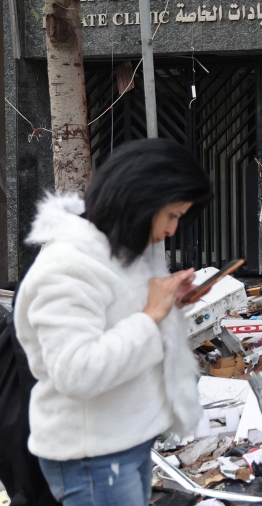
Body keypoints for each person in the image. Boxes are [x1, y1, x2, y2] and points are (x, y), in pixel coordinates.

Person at [14, 139, 212, 506]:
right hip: (93, 456)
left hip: (124, 440)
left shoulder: (118, 248)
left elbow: (117, 317)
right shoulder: (67, 268)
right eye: (171, 215)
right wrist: (151, 314)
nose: (172, 230)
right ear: (140, 202)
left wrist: (169, 303)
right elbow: (78, 371)